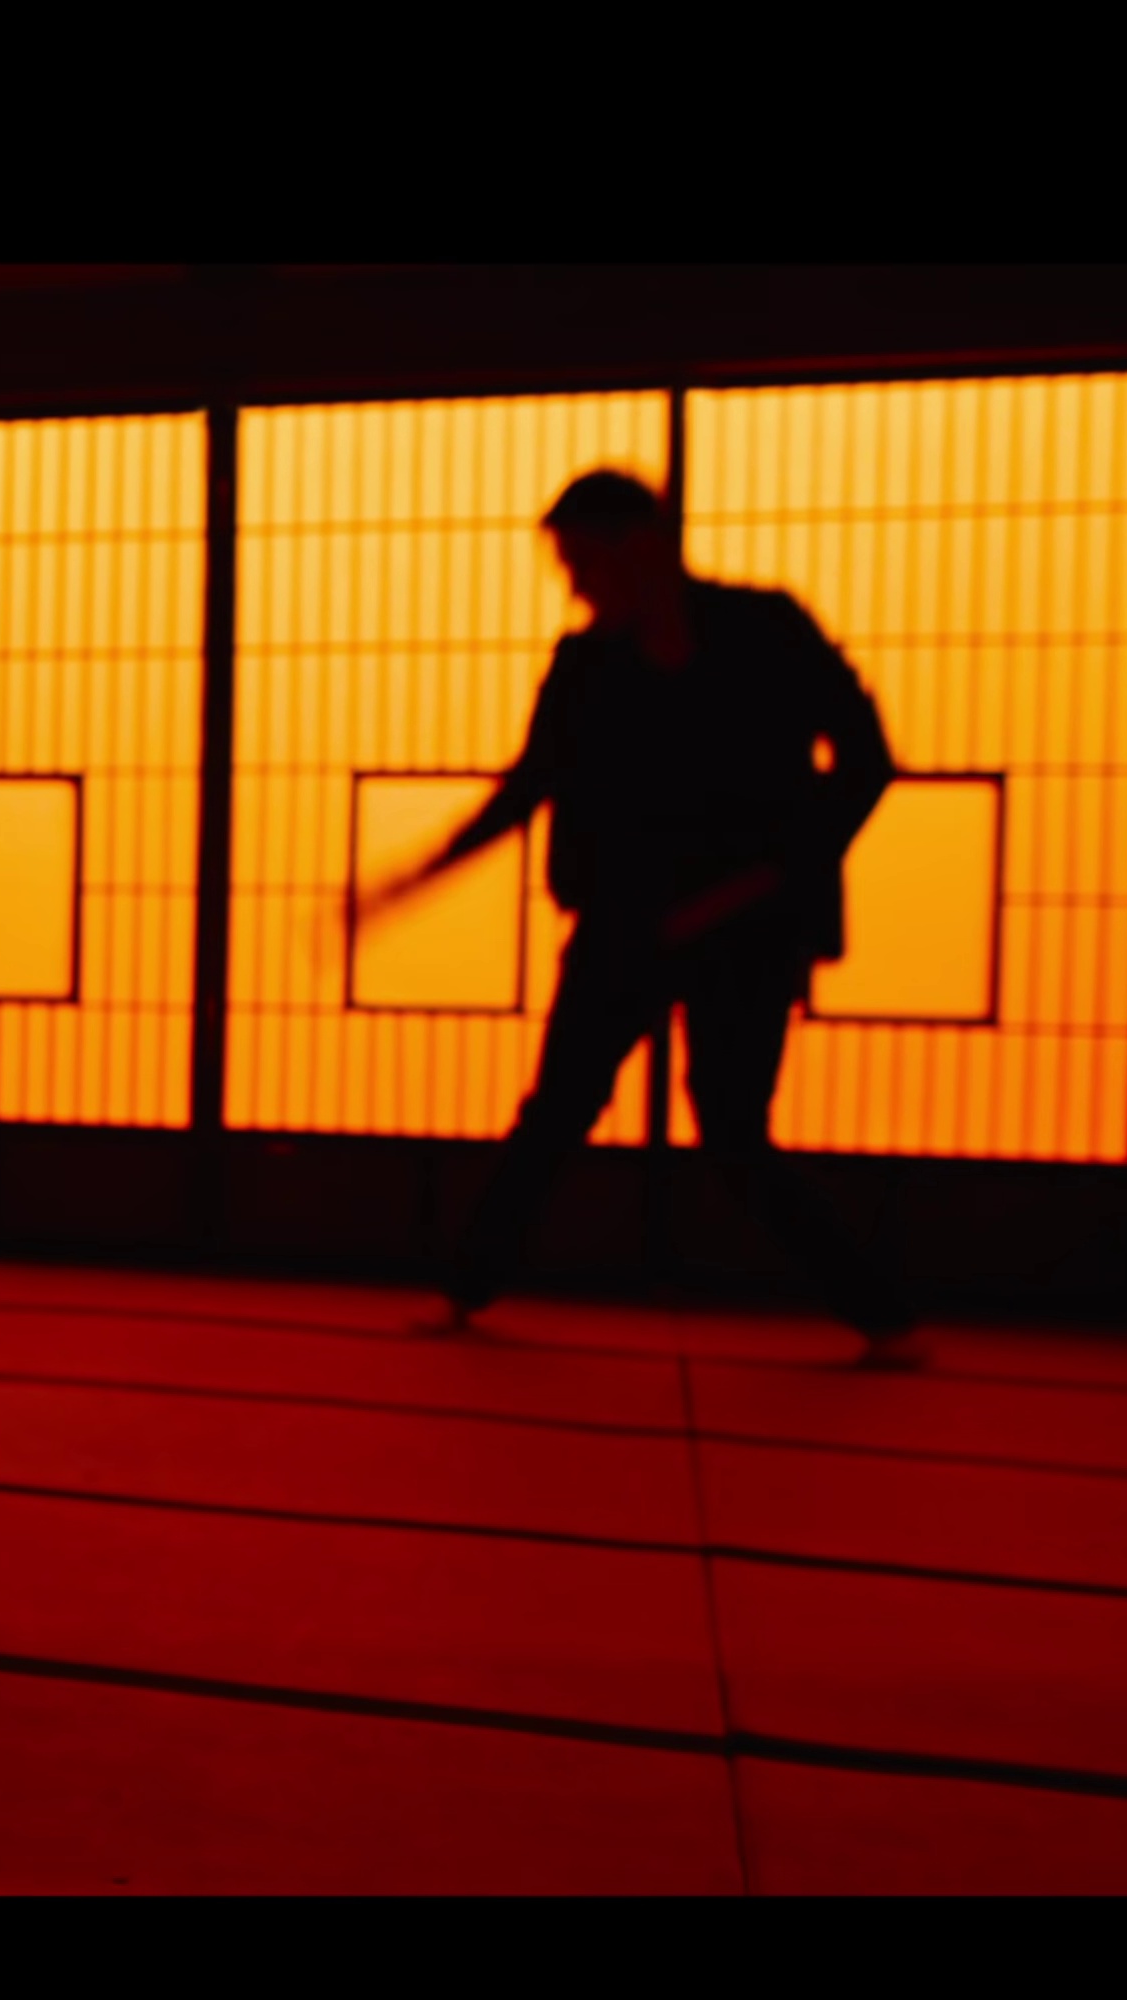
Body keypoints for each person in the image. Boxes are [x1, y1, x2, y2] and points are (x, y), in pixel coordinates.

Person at [359, 469, 926, 1368]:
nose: (576, 586)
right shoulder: (586, 665)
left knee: (732, 1129)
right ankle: (464, 1287)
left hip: (751, 923)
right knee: (557, 1109)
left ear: (641, 545)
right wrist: (422, 874)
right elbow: (531, 785)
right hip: (625, 920)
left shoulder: (767, 629)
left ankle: (881, 1314)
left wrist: (781, 870)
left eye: (583, 562)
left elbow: (868, 759)